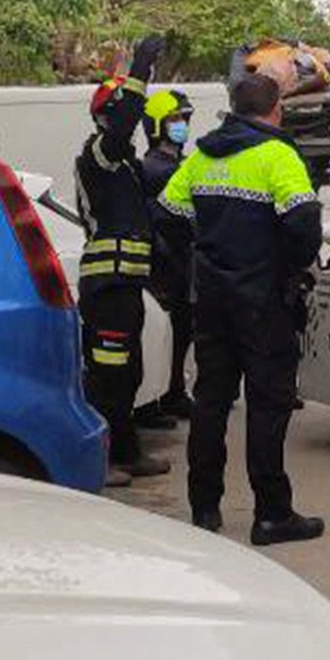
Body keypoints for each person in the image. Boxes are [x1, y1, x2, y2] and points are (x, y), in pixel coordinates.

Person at [157, 73, 325, 546]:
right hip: (264, 300)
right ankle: (272, 514)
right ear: (276, 110)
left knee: (212, 401)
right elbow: (304, 224)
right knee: (268, 405)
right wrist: (288, 268)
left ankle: (204, 508)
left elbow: (166, 216)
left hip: (212, 300)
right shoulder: (278, 156)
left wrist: (204, 256)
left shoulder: (202, 157)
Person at [76, 37, 171, 486]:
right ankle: (102, 459)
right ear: (105, 116)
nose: (128, 123)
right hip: (107, 287)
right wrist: (140, 71)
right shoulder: (97, 154)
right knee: (108, 377)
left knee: (129, 373)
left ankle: (128, 452)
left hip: (127, 285)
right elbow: (121, 129)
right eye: (121, 112)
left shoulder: (126, 165)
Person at [132, 90, 196, 429]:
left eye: (184, 119)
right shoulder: (156, 169)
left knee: (180, 332)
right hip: (165, 263)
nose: (182, 125)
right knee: (166, 333)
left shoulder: (173, 165)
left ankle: (172, 393)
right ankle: (161, 398)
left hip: (179, 261)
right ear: (156, 126)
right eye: (174, 119)